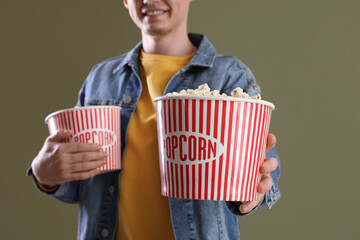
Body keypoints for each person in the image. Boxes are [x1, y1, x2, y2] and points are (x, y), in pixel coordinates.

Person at [28, 0, 281, 239]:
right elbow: (81, 184)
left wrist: (255, 191)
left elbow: (261, 166)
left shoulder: (229, 76)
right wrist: (45, 174)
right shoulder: (101, 79)